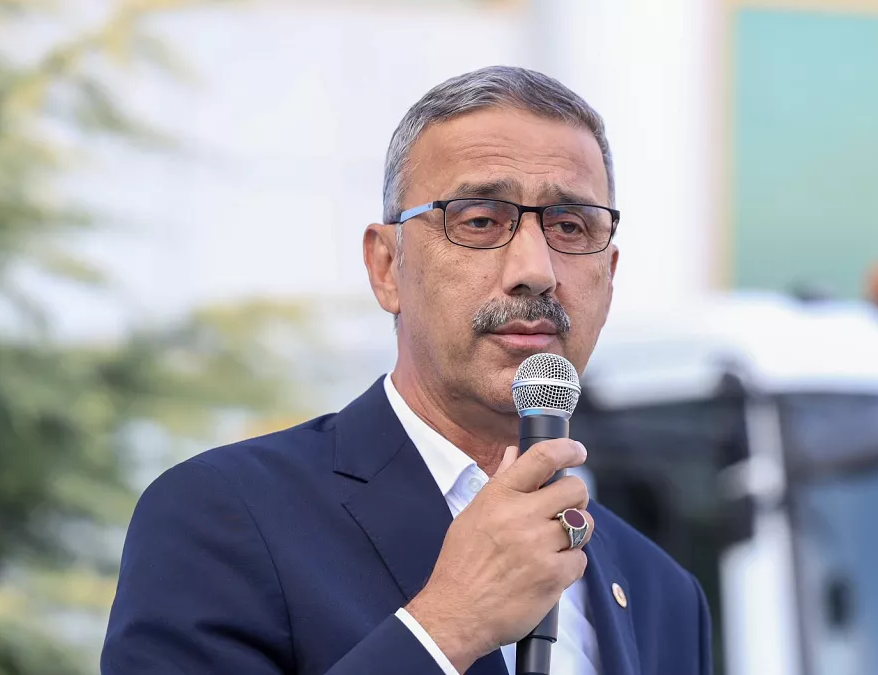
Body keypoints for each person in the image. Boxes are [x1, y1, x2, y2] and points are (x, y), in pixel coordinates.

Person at [101, 65, 713, 675]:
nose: (535, 270)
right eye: (480, 221)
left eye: (570, 227)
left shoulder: (663, 593)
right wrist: (448, 626)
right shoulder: (223, 515)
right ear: (386, 267)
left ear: (609, 277)